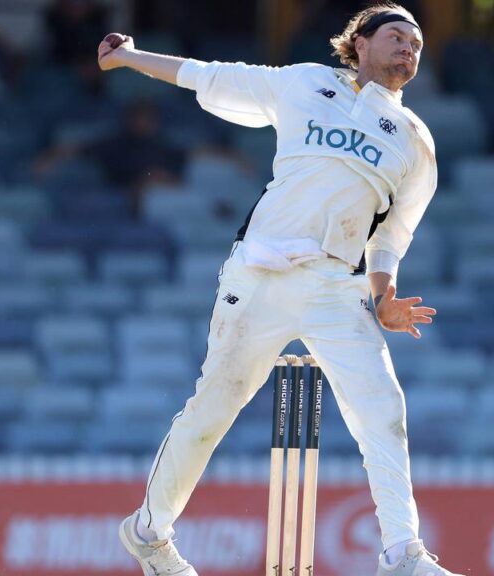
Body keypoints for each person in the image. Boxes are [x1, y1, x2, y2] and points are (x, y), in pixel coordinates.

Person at [97, 3, 461, 575]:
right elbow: (210, 75)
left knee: (383, 410)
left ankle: (402, 556)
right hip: (261, 274)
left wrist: (384, 295)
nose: (408, 49)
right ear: (360, 43)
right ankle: (149, 534)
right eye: (396, 36)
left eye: (416, 44)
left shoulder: (415, 141)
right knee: (213, 407)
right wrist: (130, 57)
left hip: (337, 287)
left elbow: (392, 235)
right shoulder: (305, 84)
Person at [33, 99, 186, 203]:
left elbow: (182, 167)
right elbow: (78, 149)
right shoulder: (115, 143)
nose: (143, 123)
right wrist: (50, 157)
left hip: (166, 195)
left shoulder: (164, 145)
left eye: (148, 118)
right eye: (139, 118)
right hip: (125, 195)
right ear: (129, 120)